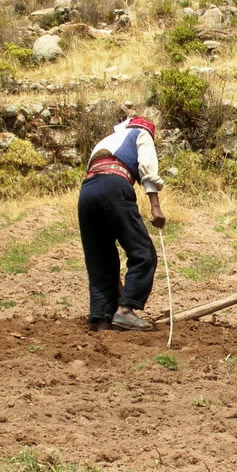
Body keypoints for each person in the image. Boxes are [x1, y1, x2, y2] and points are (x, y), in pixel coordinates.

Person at [77, 116, 166, 331]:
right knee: (143, 253)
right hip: (114, 186)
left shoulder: (108, 140)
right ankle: (125, 310)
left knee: (100, 258)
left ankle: (101, 319)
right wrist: (155, 207)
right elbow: (147, 167)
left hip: (87, 191)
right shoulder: (141, 133)